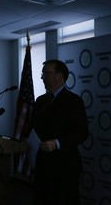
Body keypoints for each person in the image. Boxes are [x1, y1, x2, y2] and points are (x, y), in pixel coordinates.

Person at [32, 59, 88, 205]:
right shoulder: (40, 101)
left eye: (46, 73)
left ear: (59, 76)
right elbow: (37, 125)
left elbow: (82, 133)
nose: (42, 77)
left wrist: (57, 143)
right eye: (42, 73)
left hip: (65, 166)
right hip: (44, 164)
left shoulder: (74, 101)